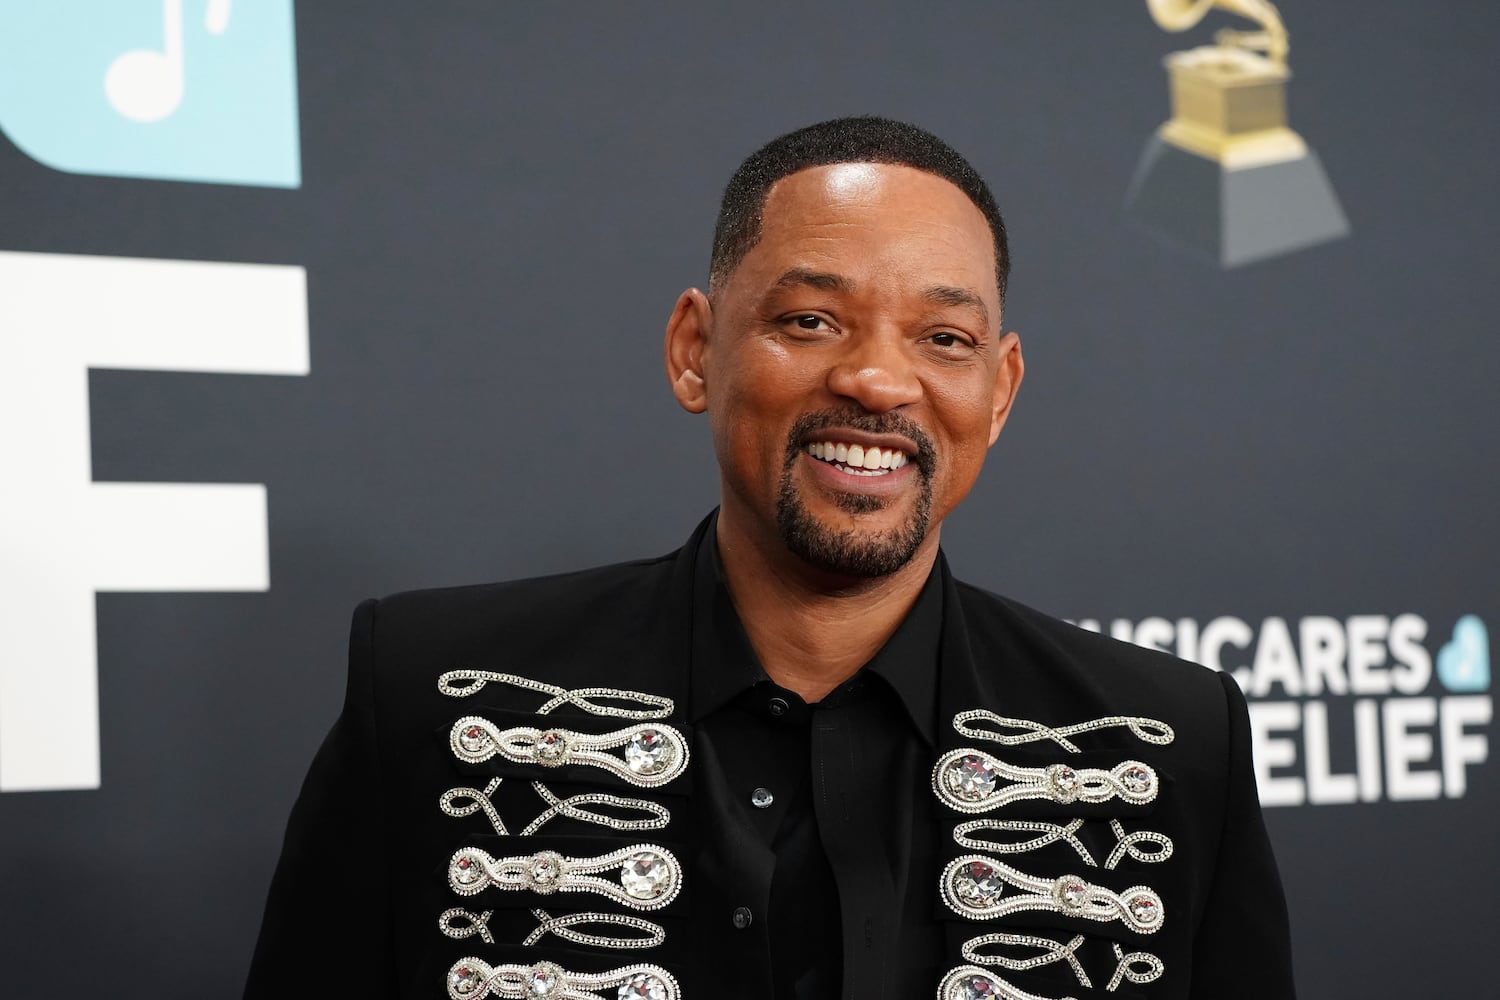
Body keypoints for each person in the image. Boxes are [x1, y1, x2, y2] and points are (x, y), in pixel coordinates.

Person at [244, 117, 1295, 1000]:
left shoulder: (1172, 743)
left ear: (1002, 391)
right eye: (811, 319)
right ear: (695, 350)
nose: (880, 380)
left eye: (945, 339)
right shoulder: (427, 688)